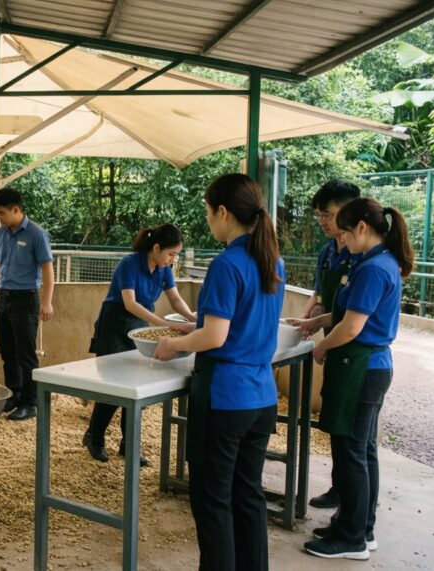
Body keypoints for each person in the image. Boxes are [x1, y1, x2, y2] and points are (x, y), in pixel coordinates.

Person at [155, 173, 284, 571]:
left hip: (226, 397)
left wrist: (173, 344)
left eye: (209, 212)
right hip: (261, 397)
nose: (209, 220)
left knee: (213, 501)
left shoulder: (227, 263)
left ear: (223, 212)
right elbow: (235, 325)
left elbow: (215, 336)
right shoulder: (270, 260)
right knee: (248, 496)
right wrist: (193, 329)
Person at [297, 198, 413, 560]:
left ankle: (352, 539)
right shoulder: (376, 262)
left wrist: (322, 346)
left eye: (345, 232)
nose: (342, 240)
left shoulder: (373, 268)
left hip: (362, 365)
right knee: (359, 450)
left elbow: (352, 327)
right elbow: (347, 312)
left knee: (352, 452)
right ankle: (357, 525)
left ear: (362, 228)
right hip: (367, 363)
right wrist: (318, 322)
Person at [82, 224, 196, 465]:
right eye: (171, 254)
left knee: (137, 384)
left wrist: (195, 319)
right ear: (156, 248)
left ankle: (129, 444)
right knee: (113, 385)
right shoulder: (130, 263)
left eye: (176, 255)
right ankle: (94, 436)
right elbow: (130, 303)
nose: (173, 259)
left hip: (142, 323)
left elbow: (175, 299)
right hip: (115, 322)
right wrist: (162, 325)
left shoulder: (164, 268)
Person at [303, 180, 361, 510]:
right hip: (334, 339)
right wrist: (308, 316)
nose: (323, 221)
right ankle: (340, 491)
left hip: (349, 346)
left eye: (328, 214)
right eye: (319, 215)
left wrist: (321, 339)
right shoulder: (329, 252)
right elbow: (320, 297)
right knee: (337, 427)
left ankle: (354, 519)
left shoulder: (363, 258)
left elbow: (350, 321)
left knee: (352, 438)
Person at [0, 187, 54, 421]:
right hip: (4, 297)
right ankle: (13, 395)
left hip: (26, 299)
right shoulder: (0, 234)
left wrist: (47, 303)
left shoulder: (36, 234)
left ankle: (30, 402)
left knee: (26, 354)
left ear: (16, 209)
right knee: (8, 353)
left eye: (2, 213)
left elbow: (47, 269)